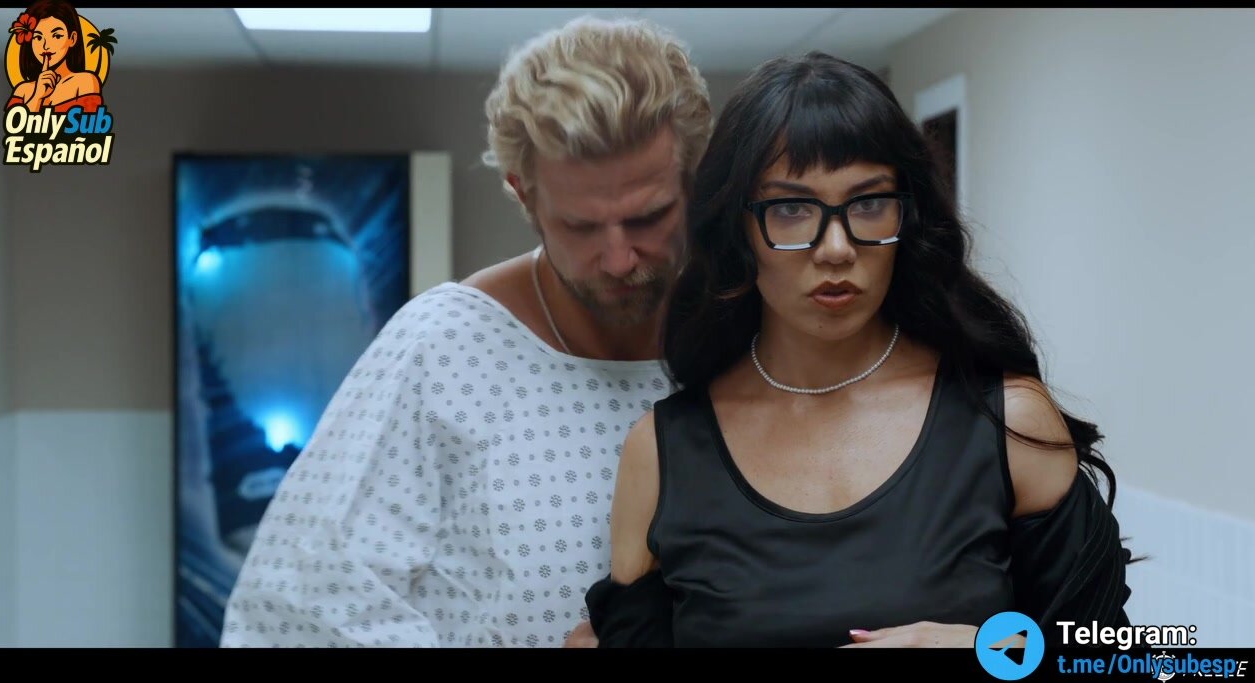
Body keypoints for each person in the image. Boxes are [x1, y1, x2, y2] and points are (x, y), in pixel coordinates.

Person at [585, 51, 1134, 648]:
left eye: (869, 204)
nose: (837, 247)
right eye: (791, 208)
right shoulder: (661, 453)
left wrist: (989, 655)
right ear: (737, 230)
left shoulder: (1006, 421)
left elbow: (1117, 658)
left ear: (908, 216)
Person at [219, 16, 712, 648]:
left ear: (694, 184)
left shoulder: (747, 335)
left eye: (648, 217)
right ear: (524, 196)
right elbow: (293, 616)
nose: (619, 259)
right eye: (581, 227)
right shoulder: (445, 348)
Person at [6, 0, 103, 113]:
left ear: (72, 38)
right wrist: (37, 96)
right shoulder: (22, 90)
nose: (46, 46)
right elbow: (14, 123)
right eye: (38, 37)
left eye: (56, 36)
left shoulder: (85, 82)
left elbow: (90, 121)